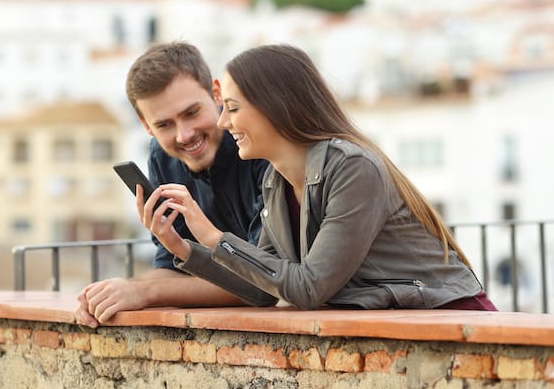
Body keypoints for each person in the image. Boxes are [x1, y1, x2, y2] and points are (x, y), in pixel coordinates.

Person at [146, 44, 496, 311]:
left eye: (233, 109)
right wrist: (185, 248)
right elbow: (260, 290)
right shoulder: (276, 181)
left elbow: (310, 287)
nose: (224, 123)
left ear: (274, 107)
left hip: (451, 320)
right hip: (401, 330)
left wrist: (211, 235)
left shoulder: (353, 168)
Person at [74, 41, 269, 327]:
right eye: (164, 125)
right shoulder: (161, 157)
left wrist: (143, 291)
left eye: (191, 113)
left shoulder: (258, 145)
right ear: (146, 126)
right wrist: (109, 293)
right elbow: (171, 267)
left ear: (217, 94)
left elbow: (263, 282)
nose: (184, 135)